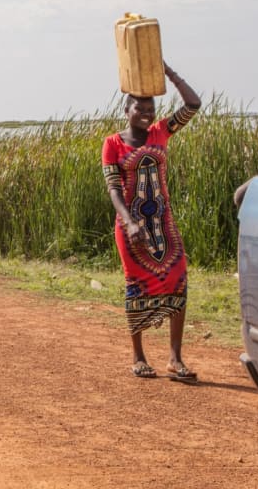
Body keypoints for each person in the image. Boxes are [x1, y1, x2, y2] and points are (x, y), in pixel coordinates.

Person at [101, 62, 201, 382]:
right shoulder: (112, 144)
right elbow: (114, 189)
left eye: (150, 108)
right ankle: (138, 356)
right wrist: (129, 222)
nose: (145, 112)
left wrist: (168, 73)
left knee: (178, 279)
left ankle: (175, 358)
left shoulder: (161, 131)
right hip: (131, 228)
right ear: (126, 110)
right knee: (137, 287)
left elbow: (193, 104)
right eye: (139, 108)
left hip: (164, 225)